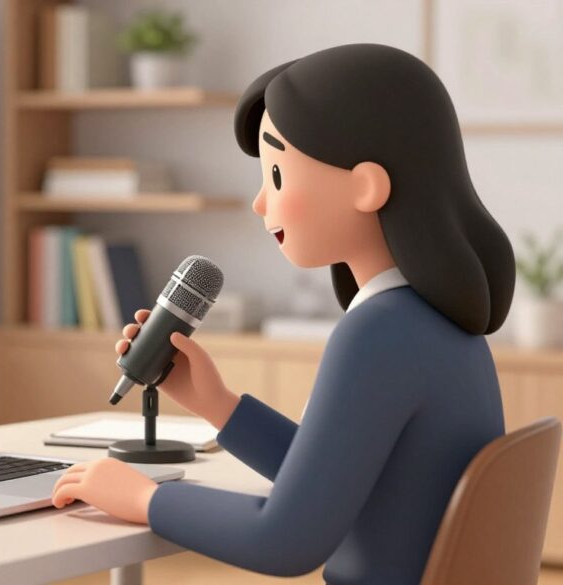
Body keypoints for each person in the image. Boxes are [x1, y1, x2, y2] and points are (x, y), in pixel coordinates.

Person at [50, 43, 516, 584]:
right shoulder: (441, 325)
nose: (259, 202)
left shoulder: (380, 334)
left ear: (366, 185)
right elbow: (333, 479)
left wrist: (145, 499)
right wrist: (219, 405)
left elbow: (286, 540)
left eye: (276, 174)